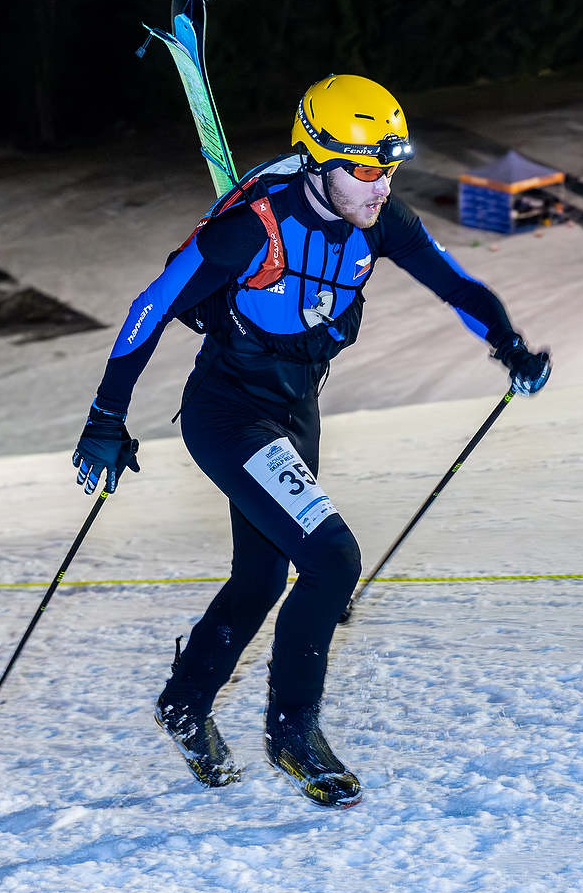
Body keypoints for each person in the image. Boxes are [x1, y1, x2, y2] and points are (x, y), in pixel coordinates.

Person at [71, 74, 551, 808]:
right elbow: (151, 306)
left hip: (295, 414)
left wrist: (508, 344)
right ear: (318, 159)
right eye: (364, 169)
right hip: (228, 415)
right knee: (332, 559)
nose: (380, 186)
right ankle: (292, 733)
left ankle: (184, 703)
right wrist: (106, 418)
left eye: (389, 169)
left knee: (262, 579)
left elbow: (457, 285)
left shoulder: (379, 222)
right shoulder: (250, 228)